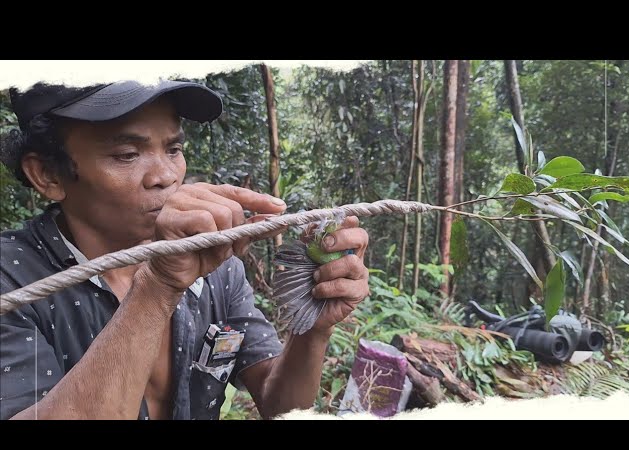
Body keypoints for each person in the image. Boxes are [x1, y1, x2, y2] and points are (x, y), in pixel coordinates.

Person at [0, 79, 370, 420]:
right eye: (127, 154)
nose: (165, 176)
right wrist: (158, 285)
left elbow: (279, 405)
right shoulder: (13, 280)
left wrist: (313, 328)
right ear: (47, 175)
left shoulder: (217, 269)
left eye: (173, 148)